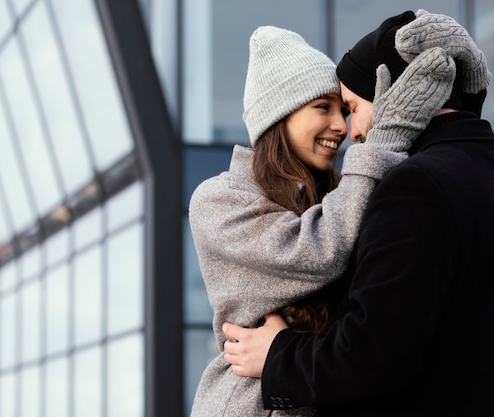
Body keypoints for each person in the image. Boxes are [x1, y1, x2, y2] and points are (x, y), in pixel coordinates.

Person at [222, 10, 494, 416]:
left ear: (391, 91)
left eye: (353, 107)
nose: (352, 131)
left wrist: (278, 355)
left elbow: (370, 355)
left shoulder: (416, 186)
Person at [188, 24, 456, 417]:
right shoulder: (218, 199)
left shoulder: (341, 195)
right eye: (323, 107)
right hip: (252, 405)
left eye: (345, 109)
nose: (342, 127)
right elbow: (314, 250)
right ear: (280, 114)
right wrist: (383, 142)